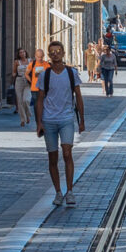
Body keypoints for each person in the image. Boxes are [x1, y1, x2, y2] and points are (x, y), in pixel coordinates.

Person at [36, 41, 85, 207]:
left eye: (58, 51)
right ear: (49, 55)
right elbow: (40, 99)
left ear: (63, 53)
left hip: (66, 119)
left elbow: (78, 96)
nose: (55, 54)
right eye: (52, 52)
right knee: (52, 157)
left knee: (67, 152)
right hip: (49, 120)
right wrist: (39, 123)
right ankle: (58, 192)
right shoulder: (45, 75)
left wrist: (82, 120)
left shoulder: (72, 73)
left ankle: (69, 191)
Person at [11, 47, 31, 126]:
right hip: (19, 81)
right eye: (20, 52)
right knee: (20, 101)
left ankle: (28, 115)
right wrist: (13, 75)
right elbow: (14, 72)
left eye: (23, 52)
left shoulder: (30, 61)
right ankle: (23, 119)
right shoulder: (16, 62)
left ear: (26, 53)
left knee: (26, 100)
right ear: (18, 54)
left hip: (28, 82)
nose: (22, 54)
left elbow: (34, 70)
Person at [26, 49, 49, 114]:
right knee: (36, 106)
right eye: (38, 57)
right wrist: (31, 81)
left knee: (44, 105)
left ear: (43, 56)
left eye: (41, 57)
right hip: (34, 89)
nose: (40, 58)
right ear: (35, 56)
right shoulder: (32, 64)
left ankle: (42, 120)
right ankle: (38, 121)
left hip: (44, 89)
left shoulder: (47, 65)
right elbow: (26, 74)